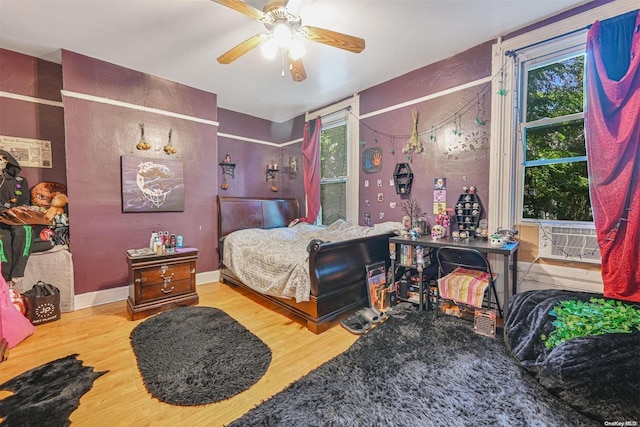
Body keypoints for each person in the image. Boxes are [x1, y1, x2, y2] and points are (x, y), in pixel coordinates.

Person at [0, 149, 31, 285]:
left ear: (7, 161)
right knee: (4, 239)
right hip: (1, 218)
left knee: (24, 231)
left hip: (16, 217)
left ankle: (18, 271)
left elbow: (24, 200)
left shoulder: (21, 181)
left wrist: (19, 209)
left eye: (2, 159)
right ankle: (6, 276)